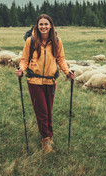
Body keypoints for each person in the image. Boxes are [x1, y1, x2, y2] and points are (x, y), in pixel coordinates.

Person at [15, 14, 75, 153]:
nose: (43, 27)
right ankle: (46, 140)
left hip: (51, 80)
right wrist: (21, 70)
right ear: (37, 26)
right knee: (41, 111)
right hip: (34, 81)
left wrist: (67, 72)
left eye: (46, 24)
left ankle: (49, 134)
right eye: (41, 24)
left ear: (51, 26)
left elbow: (61, 59)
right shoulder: (30, 41)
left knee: (48, 110)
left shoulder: (57, 41)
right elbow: (24, 59)